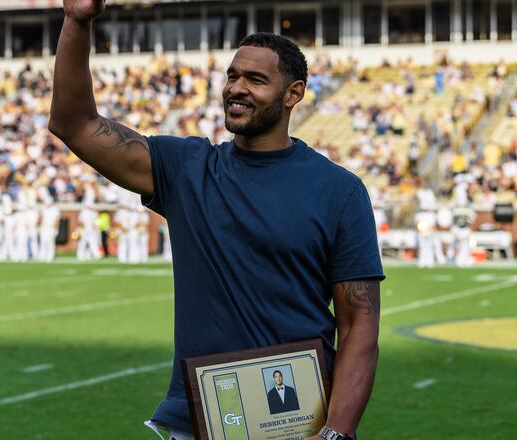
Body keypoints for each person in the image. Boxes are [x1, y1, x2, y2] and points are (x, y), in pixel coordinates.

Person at [49, 3, 383, 440]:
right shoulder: (188, 168)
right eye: (232, 76)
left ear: (293, 94)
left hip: (300, 422)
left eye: (256, 80)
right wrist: (77, 22)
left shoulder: (339, 190)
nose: (236, 89)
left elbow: (359, 324)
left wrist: (336, 433)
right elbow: (73, 123)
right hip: (200, 419)